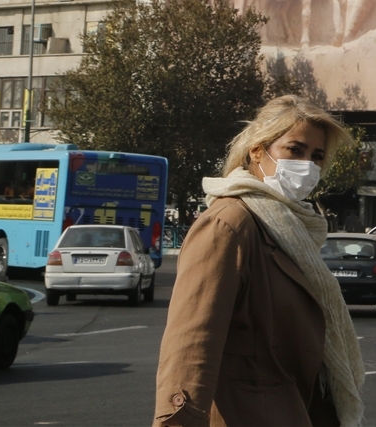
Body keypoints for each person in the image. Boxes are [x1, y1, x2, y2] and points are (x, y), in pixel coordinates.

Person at [153, 95, 364, 427]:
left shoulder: (295, 231)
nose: (307, 164)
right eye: (295, 150)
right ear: (257, 151)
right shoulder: (230, 224)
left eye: (317, 156)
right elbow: (192, 343)